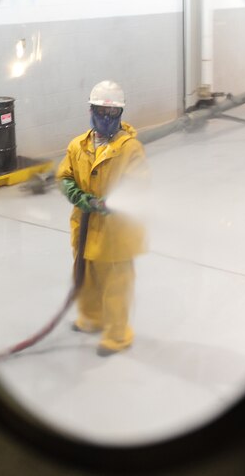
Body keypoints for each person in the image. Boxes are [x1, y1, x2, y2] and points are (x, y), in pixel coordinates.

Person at [56, 80, 147, 357]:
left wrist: (112, 204)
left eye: (112, 113)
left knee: (116, 284)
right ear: (90, 110)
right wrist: (77, 195)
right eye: (100, 111)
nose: (106, 118)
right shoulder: (78, 145)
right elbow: (65, 176)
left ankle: (118, 336)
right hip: (84, 228)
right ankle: (91, 318)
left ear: (120, 114)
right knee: (85, 277)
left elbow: (139, 185)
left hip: (116, 233)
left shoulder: (129, 148)